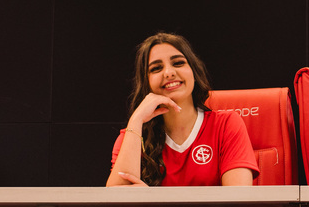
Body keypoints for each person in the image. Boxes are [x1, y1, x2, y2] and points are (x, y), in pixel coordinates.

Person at [107, 33, 258, 187]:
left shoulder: (225, 125)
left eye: (178, 63)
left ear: (194, 72)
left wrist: (152, 201)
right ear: (146, 82)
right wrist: (137, 119)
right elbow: (117, 204)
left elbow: (238, 202)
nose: (169, 73)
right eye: (156, 68)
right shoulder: (132, 134)